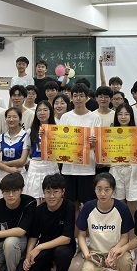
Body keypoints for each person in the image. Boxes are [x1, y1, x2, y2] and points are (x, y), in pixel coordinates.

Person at [76, 173, 134, 271]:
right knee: (88, 269)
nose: (103, 194)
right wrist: (86, 254)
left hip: (116, 251)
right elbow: (81, 235)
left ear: (113, 190)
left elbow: (125, 237)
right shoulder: (88, 207)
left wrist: (115, 250)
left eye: (107, 190)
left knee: (125, 262)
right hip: (95, 253)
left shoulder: (122, 208)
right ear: (94, 189)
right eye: (99, 189)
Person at [0, 173, 36, 271]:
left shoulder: (30, 203)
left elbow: (21, 231)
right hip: (0, 244)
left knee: (10, 243)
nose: (10, 195)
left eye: (14, 191)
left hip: (21, 242)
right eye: (6, 191)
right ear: (2, 192)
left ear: (21, 190)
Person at [59, 83, 101, 211]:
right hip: (69, 167)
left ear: (87, 98)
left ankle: (86, 224)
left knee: (88, 202)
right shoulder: (65, 117)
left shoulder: (95, 117)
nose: (78, 98)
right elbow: (61, 140)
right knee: (71, 203)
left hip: (87, 168)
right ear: (71, 98)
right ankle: (73, 224)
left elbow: (98, 143)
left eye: (81, 95)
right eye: (75, 95)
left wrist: (94, 142)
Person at [21, 173, 76, 271]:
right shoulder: (39, 210)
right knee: (26, 267)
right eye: (48, 192)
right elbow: (34, 236)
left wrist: (39, 247)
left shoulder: (69, 206)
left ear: (63, 192)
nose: (51, 196)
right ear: (43, 192)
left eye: (56, 192)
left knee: (62, 253)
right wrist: (28, 256)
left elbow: (66, 238)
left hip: (64, 246)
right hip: (46, 246)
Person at [110, 103, 137, 217]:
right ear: (116, 116)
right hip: (116, 168)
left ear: (131, 116)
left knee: (132, 204)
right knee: (118, 204)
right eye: (120, 114)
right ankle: (121, 227)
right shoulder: (109, 133)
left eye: (126, 114)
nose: (123, 117)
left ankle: (132, 227)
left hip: (133, 169)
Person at [0, 107, 31, 201]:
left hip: (19, 173)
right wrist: (8, 169)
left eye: (14, 117)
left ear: (20, 119)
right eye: (9, 117)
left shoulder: (26, 136)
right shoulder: (1, 137)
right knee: (1, 201)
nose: (11, 119)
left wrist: (3, 163)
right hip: (3, 174)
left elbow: (22, 161)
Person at [26, 101, 60, 203]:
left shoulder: (57, 130)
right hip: (35, 166)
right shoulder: (30, 131)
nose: (42, 113)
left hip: (50, 165)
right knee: (34, 198)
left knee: (50, 198)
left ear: (50, 112)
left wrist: (49, 135)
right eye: (39, 110)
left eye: (45, 110)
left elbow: (61, 149)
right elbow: (27, 150)